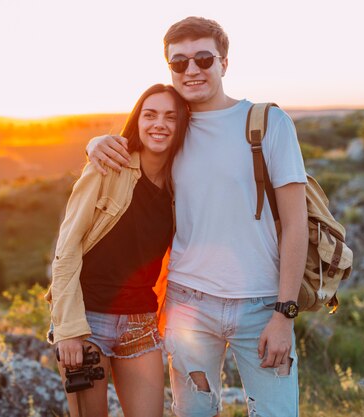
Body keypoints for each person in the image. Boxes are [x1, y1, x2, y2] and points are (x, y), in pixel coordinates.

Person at [86, 17, 308, 417]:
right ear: (169, 67)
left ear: (224, 62)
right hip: (187, 305)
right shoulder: (172, 129)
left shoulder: (268, 123)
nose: (192, 70)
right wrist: (95, 142)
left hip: (260, 305)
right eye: (179, 62)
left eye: (203, 59)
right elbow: (129, 155)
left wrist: (284, 314)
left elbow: (296, 224)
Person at [46, 83, 190, 417]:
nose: (159, 124)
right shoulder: (108, 166)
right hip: (87, 320)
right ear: (137, 121)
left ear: (181, 124)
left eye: (170, 117)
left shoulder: (180, 183)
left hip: (140, 321)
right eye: (150, 115)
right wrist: (68, 330)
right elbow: (66, 248)